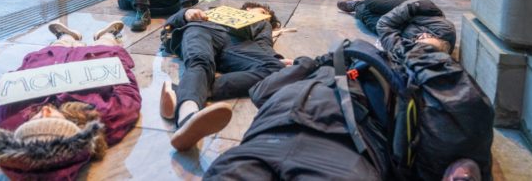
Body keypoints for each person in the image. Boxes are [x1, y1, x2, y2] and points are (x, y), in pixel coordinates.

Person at [203, 41, 486, 181]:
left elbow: (261, 92)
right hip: (343, 148)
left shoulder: (393, 77)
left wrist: (304, 64)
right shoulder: (386, 76)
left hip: (281, 135)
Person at [0, 21, 141, 180]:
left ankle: (66, 37)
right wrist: (115, 65)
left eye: (35, 120)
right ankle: (107, 35)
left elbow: (7, 87)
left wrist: (22, 74)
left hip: (49, 61)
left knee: (55, 47)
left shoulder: (0, 123)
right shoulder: (103, 117)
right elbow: (128, 92)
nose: (46, 111)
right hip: (94, 60)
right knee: (105, 45)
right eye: (52, 120)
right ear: (76, 128)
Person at [159, 3, 285, 151]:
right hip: (202, 29)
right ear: (249, 8)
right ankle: (187, 116)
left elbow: (264, 43)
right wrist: (187, 13)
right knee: (200, 62)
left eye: (268, 16)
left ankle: (183, 90)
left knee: (277, 70)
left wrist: (275, 58)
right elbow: (171, 22)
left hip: (238, 44)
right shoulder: (218, 9)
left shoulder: (263, 23)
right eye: (263, 11)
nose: (266, 16)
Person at [337, 0, 456, 55]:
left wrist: (389, 29)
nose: (423, 35)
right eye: (429, 36)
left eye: (419, 39)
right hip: (413, 10)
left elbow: (383, 27)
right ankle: (362, 2)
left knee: (368, 19)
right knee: (372, 2)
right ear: (440, 40)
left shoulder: (407, 52)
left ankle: (357, 6)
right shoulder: (446, 30)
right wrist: (389, 24)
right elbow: (419, 7)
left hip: (398, 28)